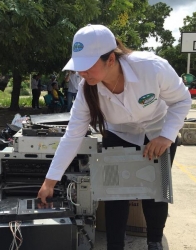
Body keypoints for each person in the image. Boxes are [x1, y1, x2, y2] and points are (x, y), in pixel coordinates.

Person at [37, 24, 192, 250]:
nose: (81, 73)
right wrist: (49, 181)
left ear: (110, 59)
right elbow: (73, 135)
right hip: (119, 133)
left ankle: (154, 241)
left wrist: (167, 136)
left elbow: (182, 100)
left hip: (159, 130)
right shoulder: (86, 89)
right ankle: (115, 245)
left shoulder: (152, 68)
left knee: (156, 192)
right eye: (78, 67)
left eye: (87, 67)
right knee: (114, 194)